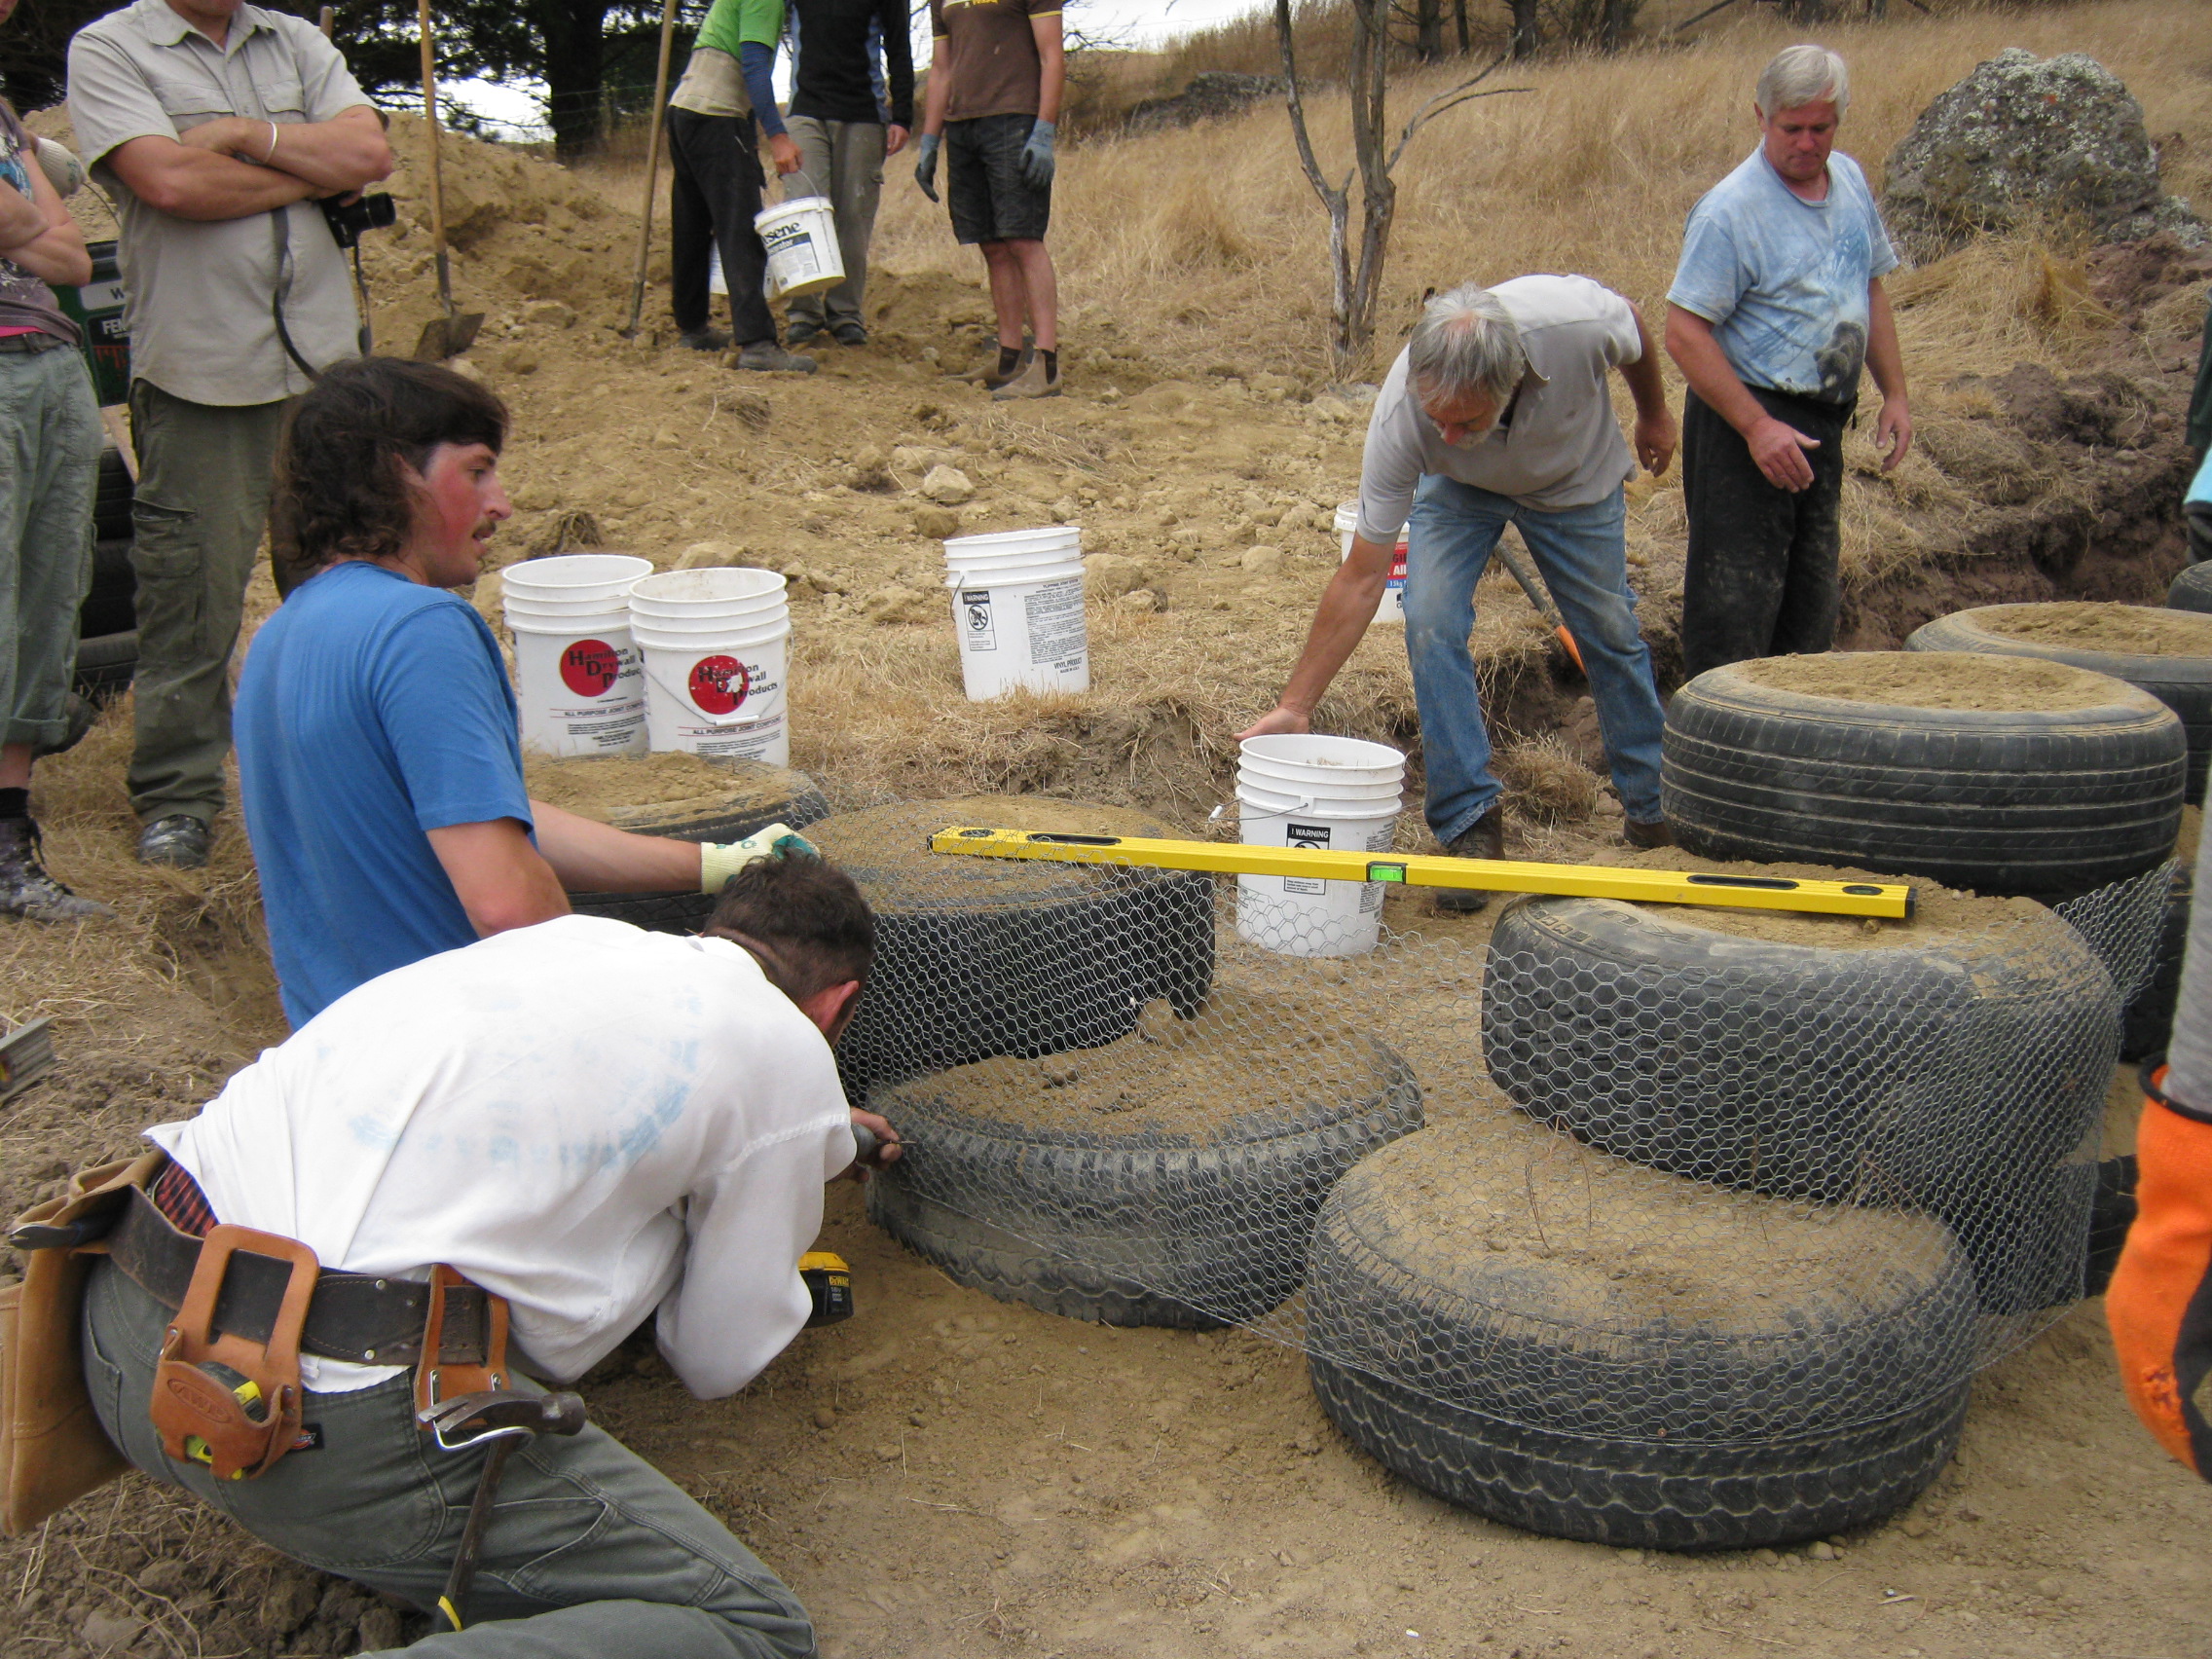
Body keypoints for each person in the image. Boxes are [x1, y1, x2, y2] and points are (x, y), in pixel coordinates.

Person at [76, 852, 898, 1656]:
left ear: (711, 932)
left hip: (123, 1337)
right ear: (837, 1006)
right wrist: (789, 1137)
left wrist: (812, 1133)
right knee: (756, 1628)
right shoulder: (787, 1051)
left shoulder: (572, 941)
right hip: (300, 1430)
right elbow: (715, 1358)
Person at [237, 356, 810, 1028]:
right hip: (456, 1056)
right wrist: (642, 1034)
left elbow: (489, 819)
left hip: (340, 1060)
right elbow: (508, 904)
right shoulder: (421, 629)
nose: (501, 504)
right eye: (476, 471)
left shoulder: (278, 639)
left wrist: (719, 863)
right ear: (395, 475)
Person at [66, 0, 393, 870]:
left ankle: (354, 778)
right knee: (190, 599)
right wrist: (307, 167)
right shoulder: (110, 48)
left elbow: (370, 154)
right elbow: (173, 186)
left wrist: (241, 136)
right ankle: (179, 796)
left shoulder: (296, 39)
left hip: (326, 376)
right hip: (200, 374)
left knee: (347, 586)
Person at [1238, 278, 1677, 910]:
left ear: (1510, 384)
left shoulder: (1572, 325)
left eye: (1464, 419)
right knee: (1429, 616)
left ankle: (1652, 805)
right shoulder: (1405, 416)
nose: (1442, 431)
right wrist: (1296, 703)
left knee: (1607, 626)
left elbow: (1635, 327)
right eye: (1434, 418)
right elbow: (1362, 575)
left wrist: (1655, 414)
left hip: (1574, 477)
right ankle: (1470, 825)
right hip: (1458, 491)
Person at [1664, 43, 1910, 682]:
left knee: (1809, 608)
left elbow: (1869, 290)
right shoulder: (1730, 211)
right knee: (1735, 609)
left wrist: (1897, 396)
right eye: (1791, 128)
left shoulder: (1850, 181)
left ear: (1838, 122)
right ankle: (1720, 757)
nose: (1806, 142)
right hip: (1744, 419)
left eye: (1820, 128)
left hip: (1823, 418)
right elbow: (1684, 333)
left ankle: (1796, 753)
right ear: (1761, 117)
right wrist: (1755, 427)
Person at [0, 0, 109, 923]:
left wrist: (29, 206)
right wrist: (32, 203)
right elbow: (39, 225)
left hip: (46, 353)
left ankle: (9, 851)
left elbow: (68, 255)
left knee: (46, 597)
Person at [911, 0, 1064, 400]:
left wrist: (1044, 131)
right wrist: (929, 139)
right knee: (993, 245)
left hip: (1015, 118)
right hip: (964, 127)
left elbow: (1052, 56)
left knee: (1024, 239)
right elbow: (942, 70)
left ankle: (1046, 367)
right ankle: (1008, 358)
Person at [665, 0, 818, 372]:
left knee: (692, 224)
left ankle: (692, 326)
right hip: (717, 114)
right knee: (740, 232)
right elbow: (752, 66)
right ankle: (758, 344)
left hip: (684, 111)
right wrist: (778, 136)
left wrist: (749, 140)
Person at [779, 0, 913, 349]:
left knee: (854, 215)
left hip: (862, 112)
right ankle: (803, 313)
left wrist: (902, 115)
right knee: (804, 210)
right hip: (805, 109)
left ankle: (845, 314)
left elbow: (899, 46)